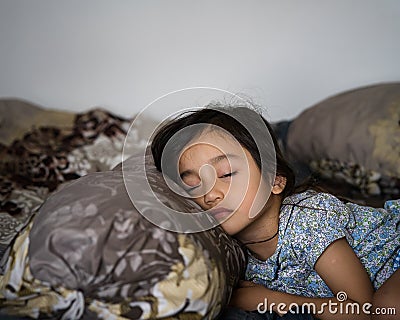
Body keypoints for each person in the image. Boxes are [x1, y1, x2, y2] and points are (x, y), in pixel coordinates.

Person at [150, 104, 400, 320]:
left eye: (226, 174)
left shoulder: (307, 219)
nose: (210, 195)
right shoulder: (232, 252)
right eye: (193, 185)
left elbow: (361, 311)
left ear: (276, 180)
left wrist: (266, 299)